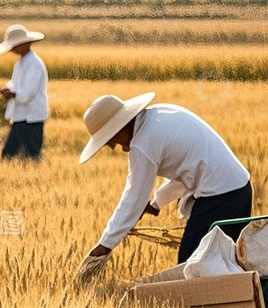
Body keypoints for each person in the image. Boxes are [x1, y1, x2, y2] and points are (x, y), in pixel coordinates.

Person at [78, 92, 252, 271]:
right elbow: (188, 168)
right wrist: (156, 203)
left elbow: (133, 198)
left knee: (191, 267)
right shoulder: (159, 115)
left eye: (111, 141)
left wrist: (104, 247)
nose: (118, 148)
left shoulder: (142, 144)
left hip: (221, 198)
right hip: (239, 190)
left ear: (118, 128)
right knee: (222, 265)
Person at [0, 24, 48, 160]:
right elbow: (16, 83)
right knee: (11, 154)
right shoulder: (22, 62)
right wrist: (8, 89)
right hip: (22, 115)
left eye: (15, 46)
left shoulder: (34, 63)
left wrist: (11, 94)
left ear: (25, 44)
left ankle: (36, 178)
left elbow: (28, 93)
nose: (13, 50)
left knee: (30, 154)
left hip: (31, 117)